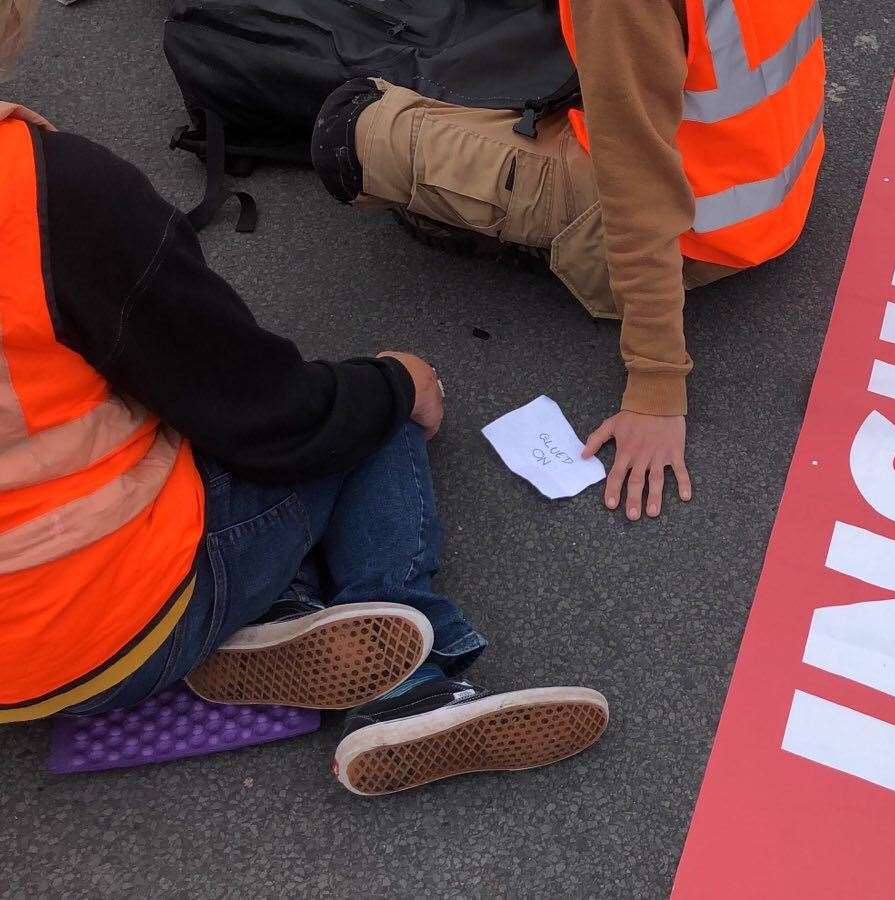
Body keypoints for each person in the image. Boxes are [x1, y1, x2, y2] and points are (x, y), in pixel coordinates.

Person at [0, 0, 606, 795]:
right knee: (369, 410)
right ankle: (413, 677)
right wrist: (397, 384)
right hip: (93, 628)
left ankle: (282, 610)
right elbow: (269, 415)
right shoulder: (51, 195)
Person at [309, 0, 825, 523]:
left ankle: (545, 238)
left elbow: (640, 197)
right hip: (771, 179)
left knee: (356, 132)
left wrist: (656, 387)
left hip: (693, 228)